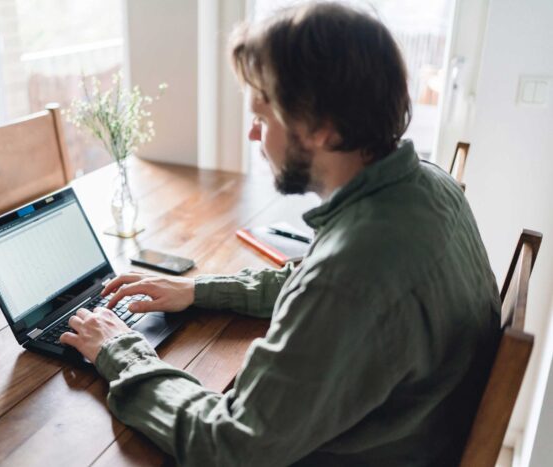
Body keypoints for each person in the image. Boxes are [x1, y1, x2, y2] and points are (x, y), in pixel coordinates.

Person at [59, 2, 501, 465]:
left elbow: (227, 445)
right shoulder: (431, 187)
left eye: (263, 117)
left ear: (324, 130)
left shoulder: (353, 274)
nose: (254, 134)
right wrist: (196, 290)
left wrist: (120, 352)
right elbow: (314, 284)